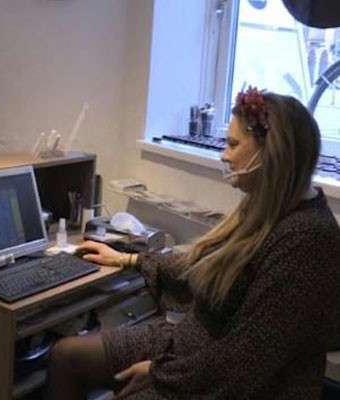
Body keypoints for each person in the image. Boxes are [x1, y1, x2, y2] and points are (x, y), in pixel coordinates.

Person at [45, 87, 340, 400]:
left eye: (233, 144)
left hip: (237, 382)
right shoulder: (265, 207)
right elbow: (206, 264)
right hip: (192, 345)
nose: (224, 155)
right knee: (66, 356)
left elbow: (248, 359)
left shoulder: (306, 239)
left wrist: (159, 372)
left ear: (271, 153)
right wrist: (129, 259)